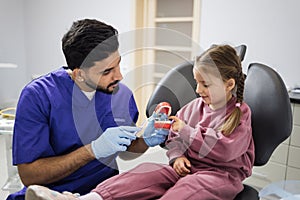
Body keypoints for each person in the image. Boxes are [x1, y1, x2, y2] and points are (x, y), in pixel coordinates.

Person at [24, 44, 255, 200]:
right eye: (197, 82)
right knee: (145, 173)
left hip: (220, 175)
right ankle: (88, 199)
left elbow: (226, 150)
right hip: (187, 167)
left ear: (229, 85)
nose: (197, 90)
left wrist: (186, 132)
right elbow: (175, 138)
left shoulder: (239, 114)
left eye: (205, 85)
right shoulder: (194, 107)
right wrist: (176, 156)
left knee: (186, 190)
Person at [7, 19, 168, 200]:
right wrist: (92, 150)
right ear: (79, 74)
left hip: (105, 191)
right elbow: (30, 175)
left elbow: (126, 152)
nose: (119, 76)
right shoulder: (38, 96)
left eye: (118, 64)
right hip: (49, 193)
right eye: (106, 72)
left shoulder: (121, 95)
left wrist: (145, 139)